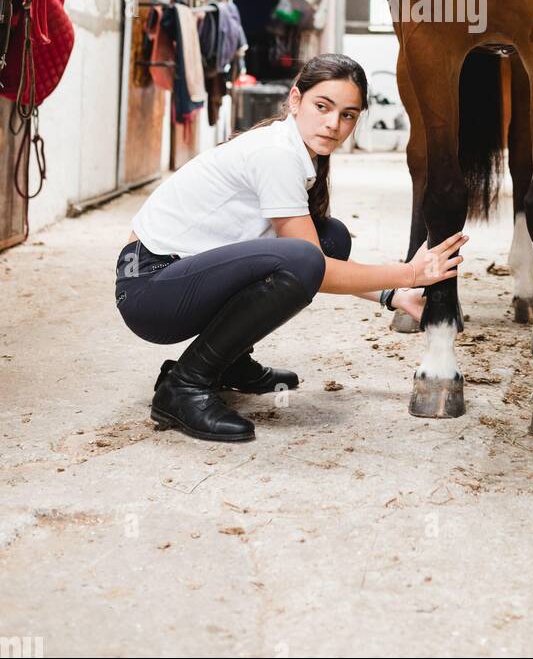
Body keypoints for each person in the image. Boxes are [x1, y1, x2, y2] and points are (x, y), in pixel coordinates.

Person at [115, 52, 466, 444]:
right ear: (296, 100)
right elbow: (310, 267)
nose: (334, 124)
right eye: (323, 107)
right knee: (302, 258)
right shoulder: (276, 154)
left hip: (174, 277)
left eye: (348, 115)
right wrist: (408, 273)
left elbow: (318, 258)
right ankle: (183, 386)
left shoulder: (296, 150)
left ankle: (227, 362)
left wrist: (394, 295)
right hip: (149, 288)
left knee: (330, 238)